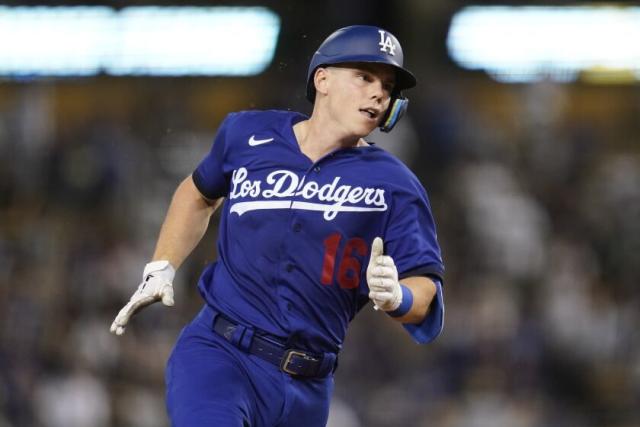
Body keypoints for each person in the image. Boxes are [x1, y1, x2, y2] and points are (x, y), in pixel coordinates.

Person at [110, 25, 445, 427]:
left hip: (310, 386)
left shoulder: (396, 184)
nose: (378, 92)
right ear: (322, 79)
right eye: (364, 76)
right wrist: (162, 265)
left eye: (387, 86)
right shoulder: (247, 135)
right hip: (221, 355)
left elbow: (425, 288)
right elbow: (199, 193)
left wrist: (397, 298)